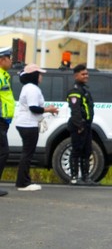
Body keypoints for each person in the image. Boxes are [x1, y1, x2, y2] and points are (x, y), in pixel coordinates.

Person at [15, 63, 59, 191]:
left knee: (27, 153)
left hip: (26, 123)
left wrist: (47, 109)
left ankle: (23, 181)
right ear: (33, 75)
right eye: (39, 74)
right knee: (27, 153)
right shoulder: (32, 89)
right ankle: (23, 183)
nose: (41, 77)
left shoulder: (28, 87)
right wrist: (49, 109)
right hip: (28, 124)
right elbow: (33, 108)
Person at [66, 63, 96, 186]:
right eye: (83, 74)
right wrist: (80, 125)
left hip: (87, 126)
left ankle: (86, 177)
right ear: (76, 76)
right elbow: (75, 110)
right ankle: (74, 177)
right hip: (78, 126)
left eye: (87, 74)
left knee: (87, 151)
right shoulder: (75, 91)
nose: (86, 76)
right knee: (76, 150)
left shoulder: (85, 90)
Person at [0, 46, 14, 197]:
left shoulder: (4, 75)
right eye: (9, 58)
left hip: (4, 121)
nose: (11, 61)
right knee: (3, 152)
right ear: (2, 59)